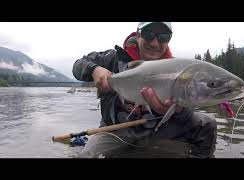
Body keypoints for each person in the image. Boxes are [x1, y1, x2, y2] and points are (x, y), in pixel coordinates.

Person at [72, 22, 217, 158]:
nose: (155, 43)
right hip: (115, 131)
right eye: (148, 34)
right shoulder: (113, 59)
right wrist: (94, 70)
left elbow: (184, 116)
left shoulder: (176, 70)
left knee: (207, 123)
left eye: (163, 37)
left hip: (158, 130)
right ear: (138, 34)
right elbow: (78, 65)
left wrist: (177, 111)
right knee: (87, 154)